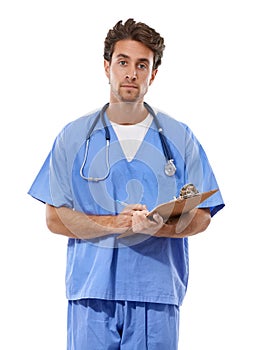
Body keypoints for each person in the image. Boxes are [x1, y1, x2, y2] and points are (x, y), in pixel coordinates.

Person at [28, 18, 225, 350]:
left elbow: (203, 216)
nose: (131, 73)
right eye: (123, 62)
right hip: (91, 296)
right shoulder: (74, 137)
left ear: (153, 74)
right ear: (107, 67)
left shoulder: (180, 137)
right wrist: (117, 223)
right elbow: (54, 218)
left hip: (156, 295)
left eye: (142, 65)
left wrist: (155, 228)